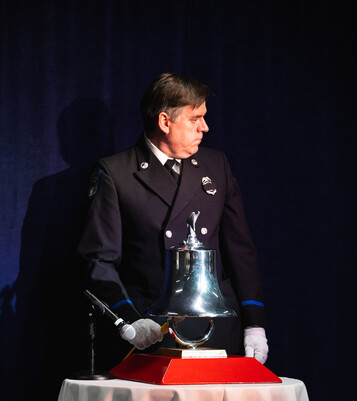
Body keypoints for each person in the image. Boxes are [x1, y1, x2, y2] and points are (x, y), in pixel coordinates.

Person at [77, 73, 268, 369]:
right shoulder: (115, 173)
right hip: (153, 331)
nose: (205, 127)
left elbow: (240, 251)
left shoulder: (216, 165)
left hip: (215, 329)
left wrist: (254, 322)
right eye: (195, 119)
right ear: (165, 122)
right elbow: (99, 260)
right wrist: (130, 320)